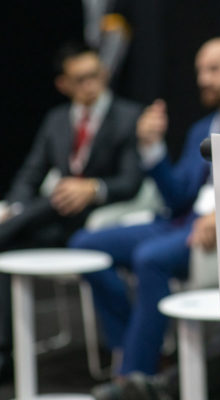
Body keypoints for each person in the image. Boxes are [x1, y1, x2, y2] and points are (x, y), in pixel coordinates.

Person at [68, 37, 220, 390]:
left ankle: (134, 375)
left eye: (214, 69)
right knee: (84, 244)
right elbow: (178, 197)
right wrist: (152, 148)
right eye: (200, 71)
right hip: (180, 222)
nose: (203, 79)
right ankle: (135, 340)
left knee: (150, 258)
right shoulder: (202, 128)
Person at [0, 42, 143, 381]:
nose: (90, 85)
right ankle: (4, 352)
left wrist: (94, 188)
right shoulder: (56, 120)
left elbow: (131, 181)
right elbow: (31, 173)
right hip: (54, 221)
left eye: (95, 75)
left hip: (99, 220)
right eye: (80, 79)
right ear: (64, 84)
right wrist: (12, 206)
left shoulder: (129, 117)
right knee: (6, 250)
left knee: (45, 205)